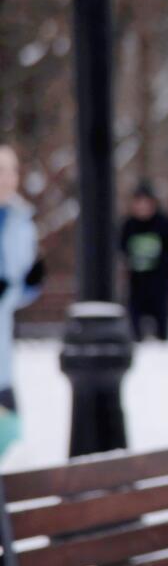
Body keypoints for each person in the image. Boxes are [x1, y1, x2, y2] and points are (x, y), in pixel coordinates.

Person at [0, 145, 38, 458]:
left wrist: (30, 284)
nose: (6, 178)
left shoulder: (21, 220)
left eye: (10, 170)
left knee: (11, 439)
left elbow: (18, 287)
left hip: (3, 346)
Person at [119, 180, 168, 341]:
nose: (142, 206)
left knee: (162, 324)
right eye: (138, 202)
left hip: (161, 282)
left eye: (145, 202)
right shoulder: (128, 225)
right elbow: (120, 247)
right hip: (137, 282)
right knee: (135, 324)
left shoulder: (166, 224)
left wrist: (163, 258)